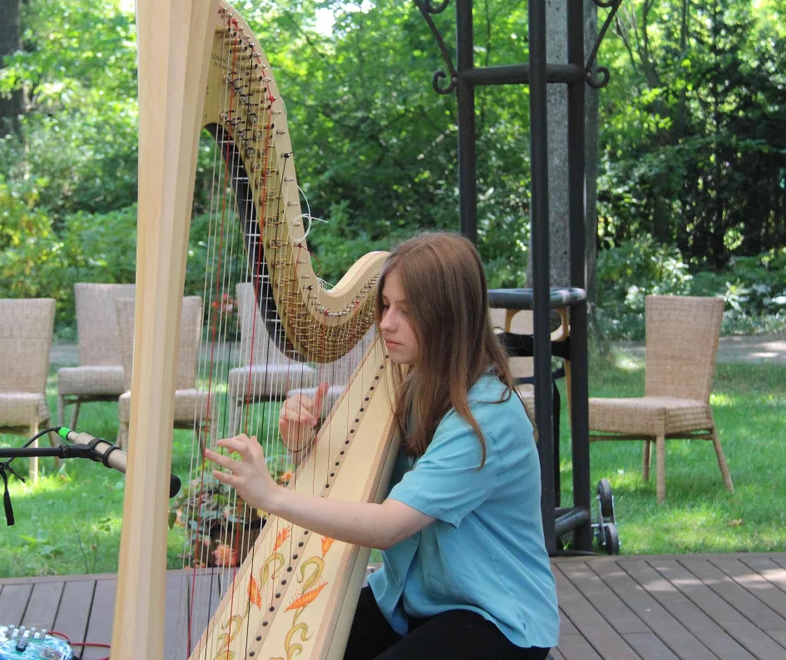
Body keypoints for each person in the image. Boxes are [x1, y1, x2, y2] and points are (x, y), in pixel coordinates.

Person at [203, 232, 558, 659]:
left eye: (406, 311)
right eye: (386, 305)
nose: (386, 323)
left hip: (494, 616)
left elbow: (387, 527)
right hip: (411, 599)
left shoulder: (487, 419)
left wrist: (272, 496)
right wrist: (304, 443)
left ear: (448, 318)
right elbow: (358, 481)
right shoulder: (414, 383)